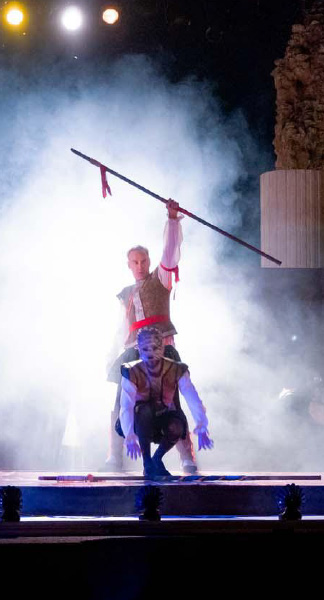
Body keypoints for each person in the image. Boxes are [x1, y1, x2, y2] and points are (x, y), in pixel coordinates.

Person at [104, 199, 199, 473]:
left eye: (144, 260)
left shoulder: (161, 279)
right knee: (121, 400)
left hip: (163, 349)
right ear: (128, 264)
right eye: (135, 261)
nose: (140, 265)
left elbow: (171, 254)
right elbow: (121, 328)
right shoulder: (125, 294)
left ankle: (187, 458)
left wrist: (171, 219)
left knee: (173, 400)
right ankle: (115, 456)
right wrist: (111, 353)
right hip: (134, 351)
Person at [116, 327, 213, 477]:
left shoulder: (176, 369)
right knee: (144, 410)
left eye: (155, 348)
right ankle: (147, 462)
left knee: (177, 425)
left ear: (162, 348)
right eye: (146, 349)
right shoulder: (132, 371)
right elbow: (126, 405)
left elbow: (191, 396)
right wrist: (129, 434)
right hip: (140, 422)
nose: (150, 353)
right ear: (139, 350)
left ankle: (157, 459)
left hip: (164, 420)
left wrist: (201, 424)